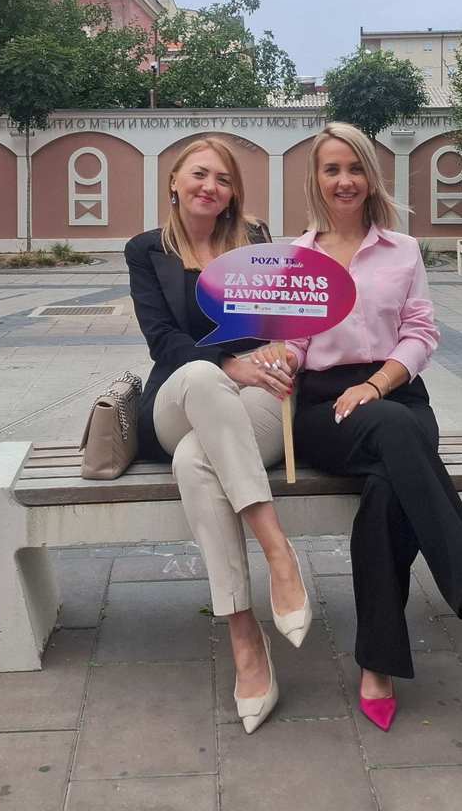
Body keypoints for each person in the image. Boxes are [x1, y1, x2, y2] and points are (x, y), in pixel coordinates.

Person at [270, 122, 462, 733]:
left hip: (396, 393)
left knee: (387, 490)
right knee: (395, 437)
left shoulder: (403, 250)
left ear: (371, 177)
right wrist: (281, 355)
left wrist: (376, 385)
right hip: (324, 409)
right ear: (316, 179)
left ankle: (379, 663)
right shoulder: (297, 257)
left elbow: (420, 333)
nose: (344, 180)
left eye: (355, 168)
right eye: (332, 169)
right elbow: (296, 342)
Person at [123, 136, 312, 735]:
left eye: (224, 179)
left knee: (194, 463)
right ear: (174, 182)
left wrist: (281, 350)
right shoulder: (145, 251)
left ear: (234, 193)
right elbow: (162, 340)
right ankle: (278, 551)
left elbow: (276, 324)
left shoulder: (253, 242)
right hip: (180, 397)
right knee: (203, 376)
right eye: (200, 174)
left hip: (252, 401)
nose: (211, 187)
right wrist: (230, 365)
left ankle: (244, 636)